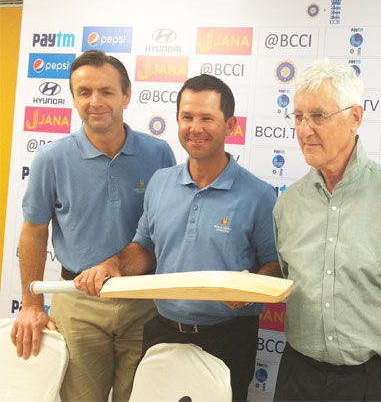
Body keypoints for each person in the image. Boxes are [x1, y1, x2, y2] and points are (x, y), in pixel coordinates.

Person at [76, 73, 280, 401]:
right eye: (187, 117)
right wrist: (113, 265)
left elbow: (275, 265)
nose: (195, 128)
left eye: (207, 118)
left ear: (231, 125)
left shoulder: (258, 195)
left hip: (228, 338)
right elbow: (144, 248)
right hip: (161, 330)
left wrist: (250, 288)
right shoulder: (160, 182)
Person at [11, 50, 176, 401]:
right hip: (77, 301)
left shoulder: (159, 154)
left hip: (143, 301)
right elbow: (34, 231)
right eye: (84, 93)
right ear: (73, 99)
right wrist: (31, 304)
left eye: (106, 91)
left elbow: (166, 228)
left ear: (127, 95)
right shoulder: (51, 159)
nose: (95, 101)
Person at [272, 59, 381, 401]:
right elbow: (290, 277)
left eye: (318, 115)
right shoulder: (288, 205)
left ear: (355, 118)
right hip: (300, 376)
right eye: (298, 116)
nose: (304, 129)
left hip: (378, 380)